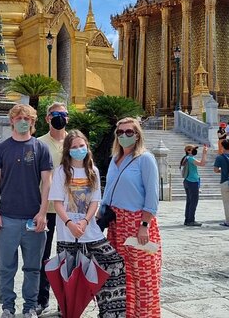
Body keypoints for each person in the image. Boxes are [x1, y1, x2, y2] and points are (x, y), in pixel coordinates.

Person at [49, 130, 126, 317]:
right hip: (68, 231)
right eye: (74, 147)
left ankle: (110, 311)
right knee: (69, 276)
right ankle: (68, 312)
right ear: (68, 150)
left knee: (113, 263)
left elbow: (94, 201)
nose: (78, 150)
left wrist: (84, 221)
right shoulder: (61, 172)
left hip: (89, 229)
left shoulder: (93, 170)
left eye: (81, 146)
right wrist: (70, 224)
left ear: (87, 147)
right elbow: (57, 203)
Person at [0, 104, 53, 318]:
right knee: (6, 267)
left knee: (33, 268)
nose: (23, 121)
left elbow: (47, 183)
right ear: (12, 121)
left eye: (27, 118)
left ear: (33, 122)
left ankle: (29, 307)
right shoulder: (2, 149)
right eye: (19, 117)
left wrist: (43, 213)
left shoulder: (40, 148)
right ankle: (7, 306)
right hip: (7, 217)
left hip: (33, 218)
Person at [101, 117, 161, 318]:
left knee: (142, 275)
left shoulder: (145, 158)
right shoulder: (115, 158)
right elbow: (109, 190)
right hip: (116, 224)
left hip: (137, 223)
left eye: (129, 132)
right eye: (120, 133)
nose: (125, 136)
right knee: (120, 274)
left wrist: (144, 224)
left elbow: (152, 196)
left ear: (137, 135)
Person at [35, 102, 68, 314]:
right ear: (47, 118)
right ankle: (41, 299)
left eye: (63, 114)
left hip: (68, 210)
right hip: (45, 208)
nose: (59, 118)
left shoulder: (74, 143)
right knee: (43, 256)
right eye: (55, 114)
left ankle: (65, 301)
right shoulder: (38, 143)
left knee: (66, 256)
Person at [180, 144, 208, 226]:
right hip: (192, 181)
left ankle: (187, 219)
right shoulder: (190, 158)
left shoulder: (185, 158)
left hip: (187, 181)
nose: (195, 150)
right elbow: (202, 164)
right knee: (193, 202)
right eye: (193, 149)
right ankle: (191, 220)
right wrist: (204, 153)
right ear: (188, 151)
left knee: (189, 201)